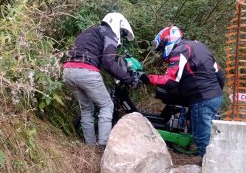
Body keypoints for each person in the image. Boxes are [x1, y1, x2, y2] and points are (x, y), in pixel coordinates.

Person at [62, 12, 141, 150]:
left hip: (68, 71)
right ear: (118, 26)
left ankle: (90, 147)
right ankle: (103, 146)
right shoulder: (109, 34)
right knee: (107, 106)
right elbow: (108, 61)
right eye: (122, 33)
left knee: (87, 109)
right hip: (86, 71)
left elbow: (99, 58)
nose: (120, 36)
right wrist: (129, 79)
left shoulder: (89, 31)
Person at [145, 25, 225, 157]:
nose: (161, 52)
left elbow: (170, 81)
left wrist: (147, 78)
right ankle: (212, 161)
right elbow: (219, 74)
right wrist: (214, 94)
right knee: (207, 132)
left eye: (161, 48)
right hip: (215, 96)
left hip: (202, 99)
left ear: (168, 41)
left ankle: (208, 168)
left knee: (201, 137)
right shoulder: (200, 46)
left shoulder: (180, 50)